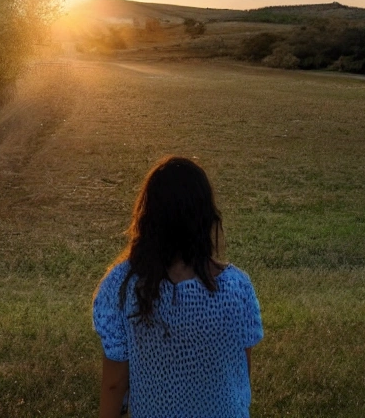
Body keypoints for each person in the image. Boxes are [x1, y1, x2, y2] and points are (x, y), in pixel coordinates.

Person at [93, 156, 263, 418]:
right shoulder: (237, 287)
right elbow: (241, 372)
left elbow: (115, 383)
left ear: (148, 217)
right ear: (205, 217)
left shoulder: (122, 285)